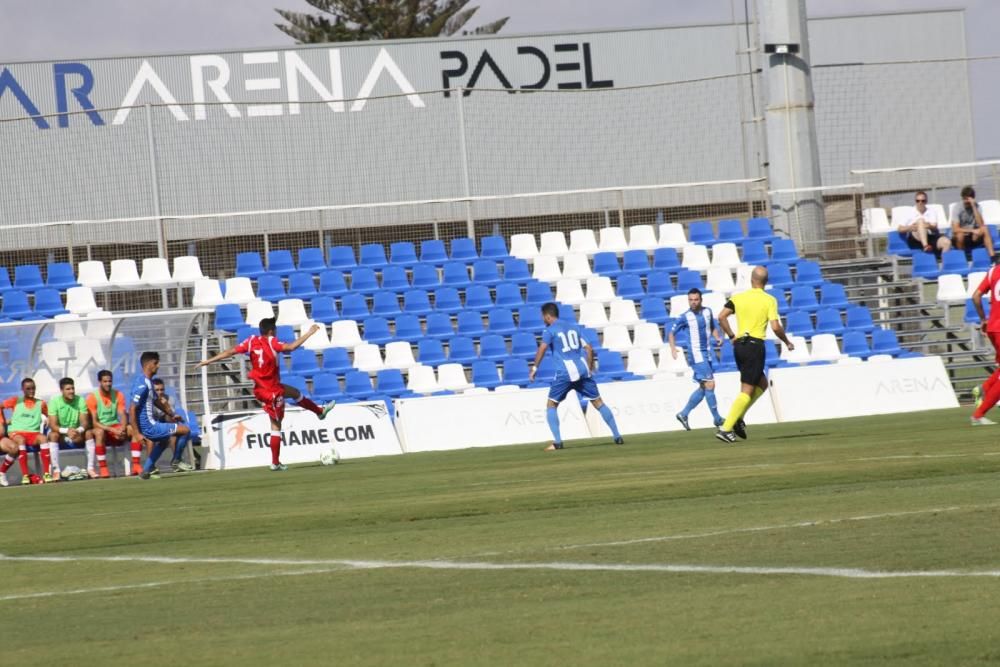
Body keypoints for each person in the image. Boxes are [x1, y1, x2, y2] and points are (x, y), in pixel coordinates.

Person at [194, 318, 335, 471]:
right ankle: (275, 463)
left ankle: (319, 412)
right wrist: (309, 333)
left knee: (294, 393)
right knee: (276, 425)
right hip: (272, 392)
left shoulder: (251, 341)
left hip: (262, 389)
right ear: (271, 331)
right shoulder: (272, 342)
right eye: (275, 330)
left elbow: (230, 351)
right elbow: (291, 346)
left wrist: (208, 361)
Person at [715, 266, 795, 443]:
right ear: (766, 282)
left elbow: (721, 317)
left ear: (751, 280)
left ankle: (737, 419)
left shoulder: (738, 297)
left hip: (740, 347)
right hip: (754, 346)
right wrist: (787, 341)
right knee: (747, 390)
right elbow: (775, 327)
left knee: (762, 383)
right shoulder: (769, 300)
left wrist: (731, 336)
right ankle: (726, 428)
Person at [528, 302, 623, 451]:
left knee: (551, 405)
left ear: (547, 316)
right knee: (598, 402)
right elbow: (589, 348)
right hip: (582, 370)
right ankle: (617, 436)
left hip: (565, 372)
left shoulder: (549, 330)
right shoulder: (574, 327)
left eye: (543, 316)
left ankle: (557, 442)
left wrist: (534, 368)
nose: (542, 319)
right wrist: (589, 368)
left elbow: (542, 348)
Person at [669, 288, 725, 430]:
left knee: (704, 386)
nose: (693, 302)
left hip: (707, 353)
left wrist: (717, 336)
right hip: (696, 355)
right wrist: (673, 349)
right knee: (710, 384)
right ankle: (717, 419)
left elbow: (712, 327)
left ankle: (684, 414)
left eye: (696, 300)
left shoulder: (708, 312)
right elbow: (671, 333)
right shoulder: (685, 316)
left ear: (701, 300)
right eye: (691, 300)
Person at [130, 351, 191, 480]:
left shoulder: (148, 382)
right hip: (150, 426)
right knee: (185, 431)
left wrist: (172, 414)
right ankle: (177, 461)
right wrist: (137, 433)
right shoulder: (142, 385)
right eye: (156, 363)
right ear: (149, 364)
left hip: (150, 424)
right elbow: (132, 409)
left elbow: (156, 401)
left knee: (164, 442)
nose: (158, 366)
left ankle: (146, 470)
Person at [47, 377, 96, 482]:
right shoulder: (54, 402)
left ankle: (91, 469)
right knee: (52, 435)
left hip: (77, 434)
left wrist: (78, 431)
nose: (72, 391)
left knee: (89, 433)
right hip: (61, 435)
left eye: (73, 388)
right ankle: (56, 471)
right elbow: (53, 425)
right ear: (62, 390)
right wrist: (67, 431)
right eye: (68, 389)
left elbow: (85, 423)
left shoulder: (81, 400)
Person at [86, 369, 133, 477]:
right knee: (99, 432)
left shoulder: (118, 394)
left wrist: (123, 427)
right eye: (105, 381)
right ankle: (103, 468)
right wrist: (112, 430)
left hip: (115, 427)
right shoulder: (92, 397)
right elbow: (94, 422)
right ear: (100, 382)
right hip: (102, 428)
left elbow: (122, 414)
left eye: (110, 381)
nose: (108, 384)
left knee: (131, 429)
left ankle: (135, 466)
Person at [0, 378, 48, 485]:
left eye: (33, 388)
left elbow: (49, 414)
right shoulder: (16, 400)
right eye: (28, 389)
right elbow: (1, 407)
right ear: (22, 389)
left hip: (32, 434)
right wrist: (3, 422)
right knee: (20, 441)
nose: (31, 391)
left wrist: (47, 419)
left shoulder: (41, 403)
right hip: (17, 433)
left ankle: (47, 474)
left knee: (43, 438)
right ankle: (25, 475)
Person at [969, 261, 1000, 425]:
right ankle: (978, 415)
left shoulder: (993, 272)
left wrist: (983, 319)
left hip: (993, 327)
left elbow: (975, 296)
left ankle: (984, 389)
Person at [151, 378, 194, 473]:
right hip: (154, 426)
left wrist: (175, 416)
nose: (160, 392)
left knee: (174, 433)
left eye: (162, 389)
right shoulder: (150, 401)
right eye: (157, 390)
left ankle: (177, 460)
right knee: (172, 431)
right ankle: (152, 466)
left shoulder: (170, 399)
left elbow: (171, 414)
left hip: (166, 425)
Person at [897, 191, 950, 255]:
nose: (920, 203)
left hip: (930, 237)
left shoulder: (931, 212)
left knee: (946, 242)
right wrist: (910, 227)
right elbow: (899, 229)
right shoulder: (909, 212)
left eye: (923, 201)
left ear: (926, 201)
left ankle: (945, 263)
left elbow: (934, 227)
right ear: (915, 201)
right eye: (918, 201)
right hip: (915, 239)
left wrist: (928, 226)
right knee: (920, 221)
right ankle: (925, 246)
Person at [951, 185, 995, 255]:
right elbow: (955, 229)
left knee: (985, 229)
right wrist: (972, 230)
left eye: (968, 199)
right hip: (962, 236)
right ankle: (962, 258)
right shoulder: (957, 208)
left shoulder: (977, 207)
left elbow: (981, 224)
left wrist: (974, 207)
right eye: (965, 199)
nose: (966, 201)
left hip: (974, 236)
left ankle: (993, 257)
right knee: (960, 235)